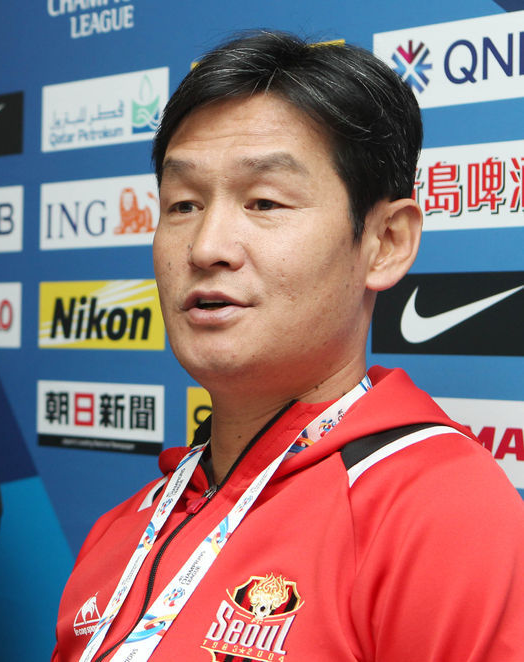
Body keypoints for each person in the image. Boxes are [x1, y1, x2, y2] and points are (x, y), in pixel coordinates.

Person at [52, 31, 524, 661]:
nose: (206, 247)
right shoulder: (124, 528)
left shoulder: (442, 514)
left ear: (385, 243)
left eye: (264, 201)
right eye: (183, 204)